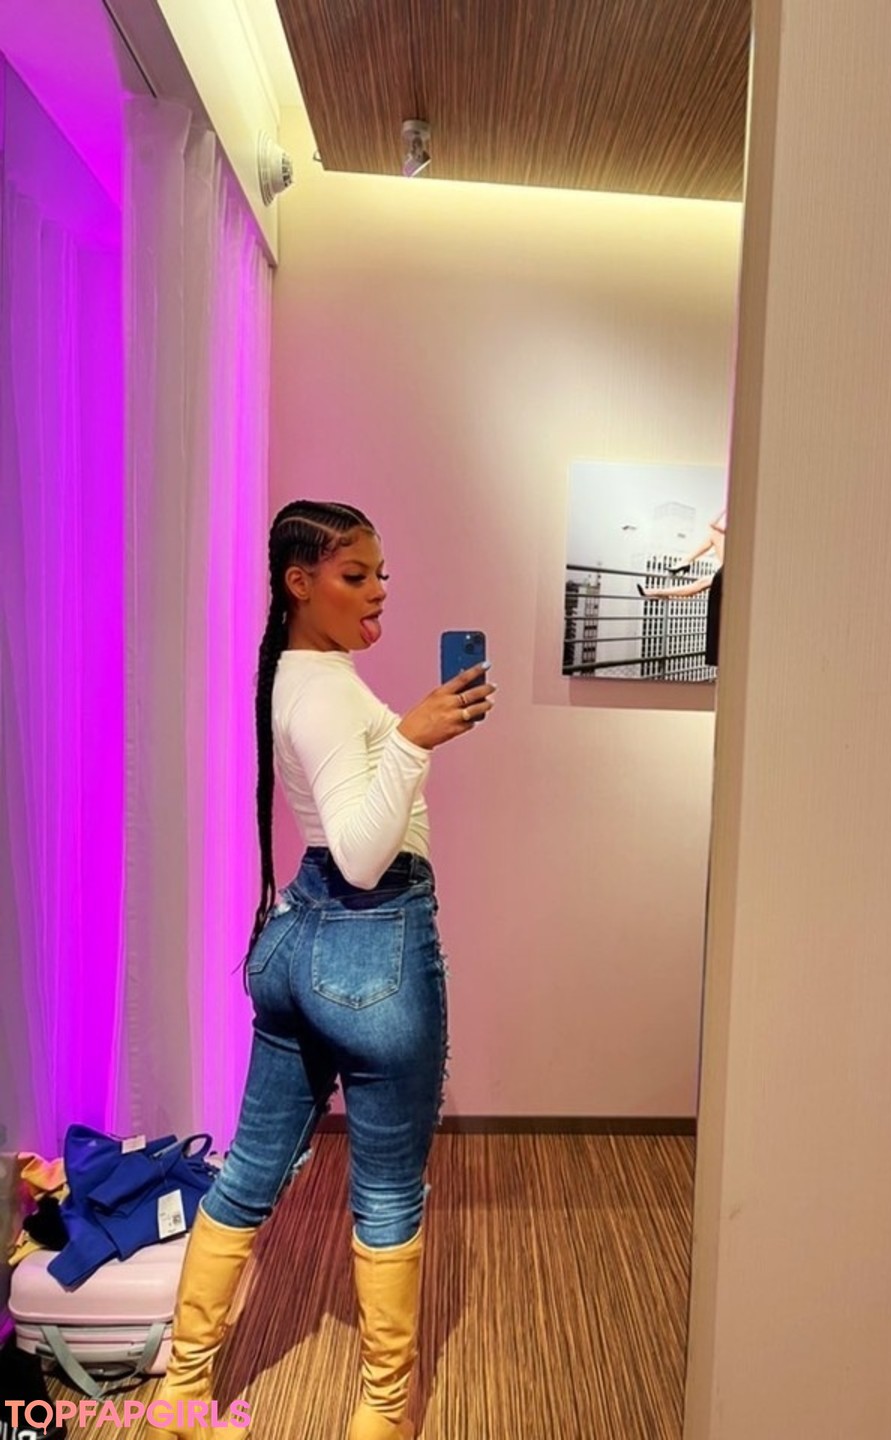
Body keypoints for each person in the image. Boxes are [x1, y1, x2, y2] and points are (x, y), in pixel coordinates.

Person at [154, 500, 495, 1440]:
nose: (379, 591)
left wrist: (406, 740)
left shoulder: (297, 674)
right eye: (356, 575)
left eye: (383, 573)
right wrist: (414, 738)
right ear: (299, 583)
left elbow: (335, 839)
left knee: (247, 1175)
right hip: (371, 947)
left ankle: (182, 1392)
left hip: (297, 943)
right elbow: (360, 857)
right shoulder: (330, 694)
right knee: (384, 1195)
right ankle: (383, 1411)